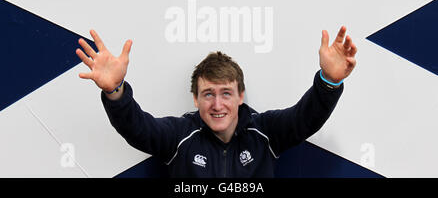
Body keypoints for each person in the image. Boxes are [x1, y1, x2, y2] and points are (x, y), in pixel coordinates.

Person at [76, 26, 357, 177]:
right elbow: (137, 128)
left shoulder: (265, 132)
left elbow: (305, 118)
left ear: (241, 96)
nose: (217, 104)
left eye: (226, 93)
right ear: (196, 99)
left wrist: (329, 82)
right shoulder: (179, 136)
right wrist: (115, 90)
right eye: (208, 94)